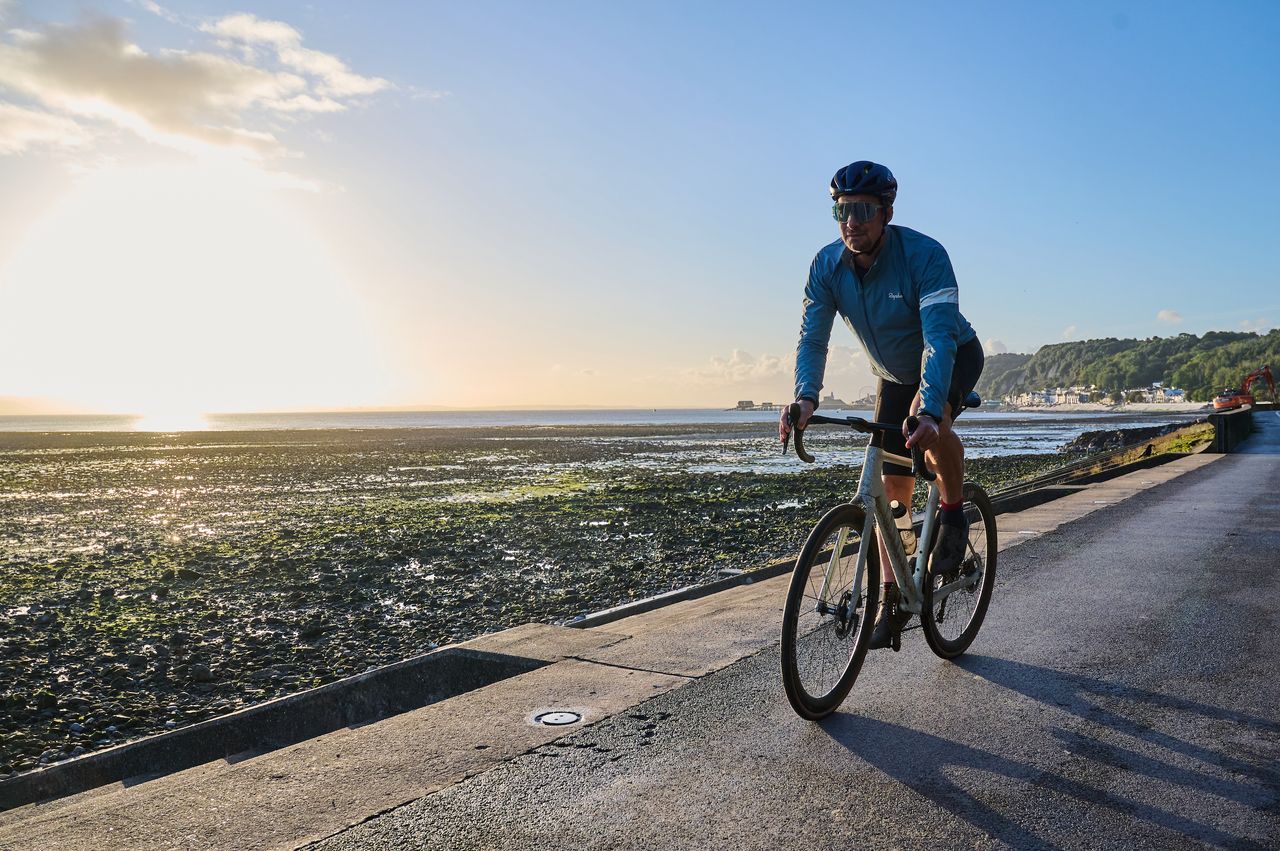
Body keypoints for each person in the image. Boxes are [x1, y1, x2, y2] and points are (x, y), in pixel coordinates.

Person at [777, 160, 984, 650]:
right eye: (842, 210)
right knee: (891, 489)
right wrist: (806, 397)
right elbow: (813, 339)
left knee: (929, 438)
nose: (852, 221)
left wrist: (931, 409)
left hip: (950, 358)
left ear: (887, 211)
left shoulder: (924, 256)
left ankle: (953, 512)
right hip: (892, 375)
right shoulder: (826, 266)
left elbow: (937, 339)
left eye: (864, 210)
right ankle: (891, 596)